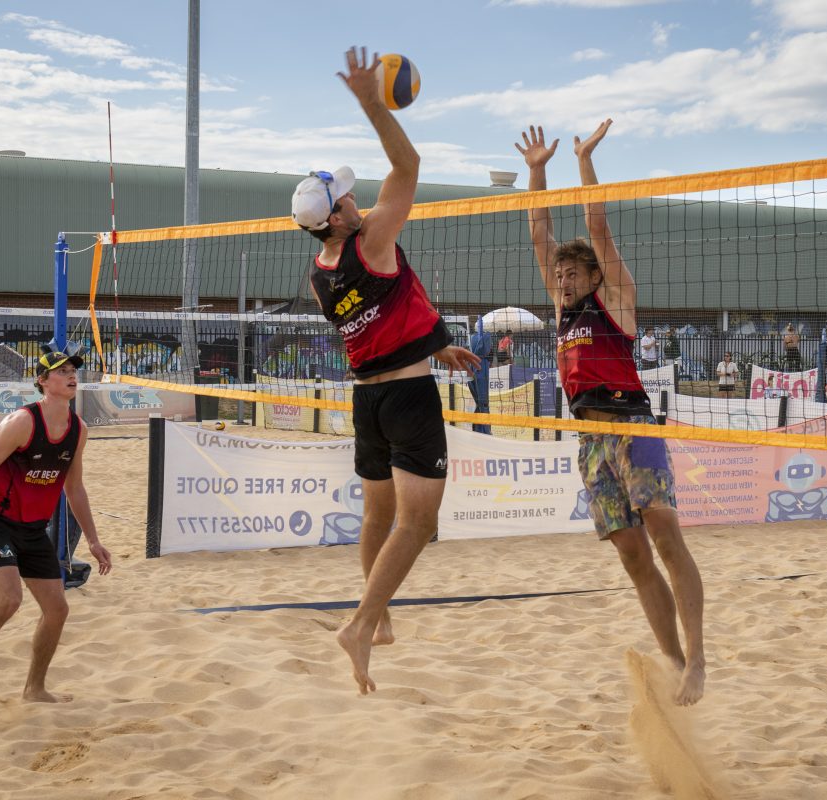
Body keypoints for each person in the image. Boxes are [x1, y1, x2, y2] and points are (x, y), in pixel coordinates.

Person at [291, 46, 480, 694]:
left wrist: (434, 346)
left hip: (367, 402)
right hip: (405, 402)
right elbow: (409, 164)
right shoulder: (371, 241)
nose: (356, 198)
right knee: (418, 524)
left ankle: (379, 621)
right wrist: (372, 103)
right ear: (339, 218)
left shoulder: (319, 275)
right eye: (346, 196)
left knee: (377, 520)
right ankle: (361, 622)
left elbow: (381, 328)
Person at [517, 120, 706, 705]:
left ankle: (697, 657)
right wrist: (536, 170)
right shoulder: (563, 311)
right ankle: (673, 658)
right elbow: (539, 231)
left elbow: (595, 225)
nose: (562, 277)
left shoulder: (615, 303)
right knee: (631, 555)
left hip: (632, 428)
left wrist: (582, 161)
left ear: (596, 276)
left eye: (573, 272)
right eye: (559, 274)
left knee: (667, 537)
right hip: (590, 441)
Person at [0, 351, 113, 729]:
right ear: (42, 381)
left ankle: (34, 687)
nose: (70, 376)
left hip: (34, 527)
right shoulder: (21, 422)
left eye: (72, 371)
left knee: (58, 609)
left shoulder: (78, 428)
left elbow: (75, 488)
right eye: (61, 372)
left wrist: (95, 541)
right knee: (9, 600)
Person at [468, 317, 493, 434]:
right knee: (482, 401)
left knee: (481, 401)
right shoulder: (480, 363)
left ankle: (480, 426)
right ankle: (482, 428)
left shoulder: (475, 360)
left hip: (476, 366)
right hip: (479, 368)